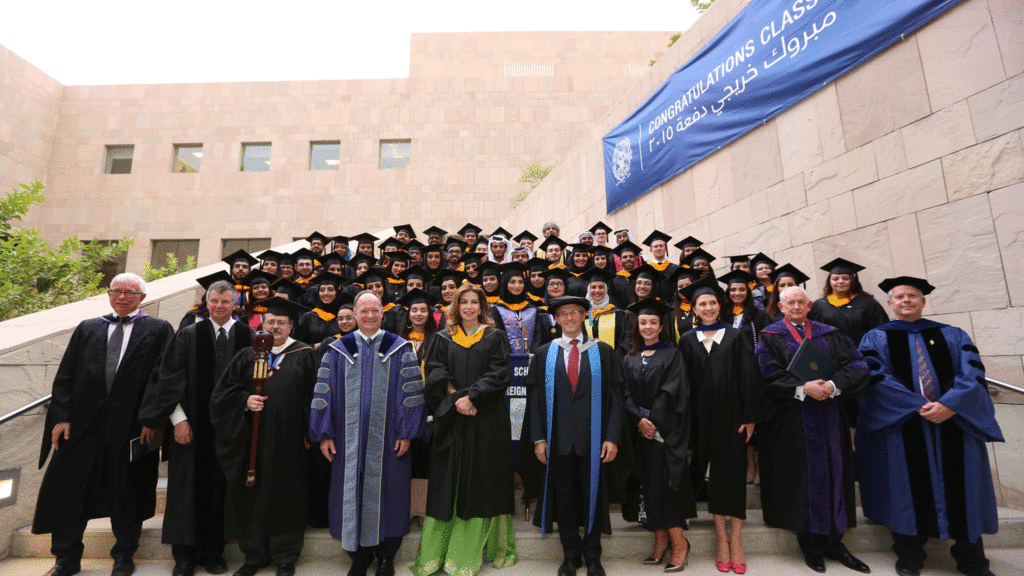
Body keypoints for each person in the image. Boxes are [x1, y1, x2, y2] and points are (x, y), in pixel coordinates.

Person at [856, 277, 1003, 576]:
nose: (906, 300)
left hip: (953, 423)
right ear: (890, 304)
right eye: (899, 297)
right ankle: (909, 556)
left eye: (912, 296)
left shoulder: (953, 334)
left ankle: (971, 559)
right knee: (905, 489)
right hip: (905, 424)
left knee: (963, 489)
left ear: (923, 301)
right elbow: (875, 377)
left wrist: (950, 405)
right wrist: (914, 404)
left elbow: (972, 373)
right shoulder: (875, 338)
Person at [33, 273, 174, 576]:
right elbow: (66, 375)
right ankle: (66, 557)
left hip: (133, 426)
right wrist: (61, 418)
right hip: (84, 426)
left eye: (130, 292)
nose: (123, 297)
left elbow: (163, 377)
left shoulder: (159, 329)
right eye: (117, 291)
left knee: (128, 490)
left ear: (142, 298)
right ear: (109, 294)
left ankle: (124, 555)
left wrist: (152, 418)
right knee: (70, 490)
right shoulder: (88, 328)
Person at [138, 281, 254, 576]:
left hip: (231, 430)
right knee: (185, 491)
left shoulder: (249, 337)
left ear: (234, 303)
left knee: (221, 490)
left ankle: (214, 552)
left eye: (225, 301)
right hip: (190, 427)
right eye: (214, 301)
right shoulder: (188, 335)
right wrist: (179, 421)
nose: (219, 306)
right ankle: (185, 557)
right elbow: (168, 379)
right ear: (207, 302)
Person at [309, 291, 427, 576]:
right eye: (364, 311)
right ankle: (358, 557)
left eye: (375, 310)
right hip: (347, 441)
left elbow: (411, 394)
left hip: (388, 440)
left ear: (382, 313)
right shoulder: (338, 350)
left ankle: (386, 557)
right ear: (355, 315)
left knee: (391, 494)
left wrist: (407, 432)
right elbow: (323, 393)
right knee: (351, 494)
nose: (370, 316)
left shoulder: (399, 348)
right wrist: (325, 434)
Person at [754, 286, 871, 574]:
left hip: (831, 414)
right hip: (792, 420)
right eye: (790, 302)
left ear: (809, 306)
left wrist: (832, 386)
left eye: (800, 302)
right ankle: (811, 544)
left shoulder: (830, 332)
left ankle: (836, 542)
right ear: (781, 307)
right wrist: (801, 387)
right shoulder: (770, 337)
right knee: (802, 478)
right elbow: (766, 374)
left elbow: (857, 363)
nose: (795, 307)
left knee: (836, 472)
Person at [411, 284, 517, 576]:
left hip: (487, 418)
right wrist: (458, 398)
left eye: (474, 302)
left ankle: (479, 548)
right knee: (450, 480)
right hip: (454, 418)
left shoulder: (495, 336)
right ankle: (442, 550)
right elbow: (434, 371)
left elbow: (499, 373)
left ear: (483, 306)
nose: (469, 307)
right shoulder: (443, 338)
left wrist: (472, 398)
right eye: (464, 302)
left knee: (483, 478)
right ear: (455, 307)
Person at [209, 297, 319, 576]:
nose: (276, 326)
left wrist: (309, 432)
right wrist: (245, 401)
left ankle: (285, 556)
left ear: (291, 326)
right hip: (251, 439)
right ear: (262, 324)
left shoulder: (304, 354)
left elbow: (316, 397)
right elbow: (223, 393)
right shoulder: (248, 355)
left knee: (287, 494)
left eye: (282, 322)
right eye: (271, 322)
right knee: (252, 494)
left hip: (290, 439)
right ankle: (254, 556)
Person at [525, 296, 625, 576]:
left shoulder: (603, 351)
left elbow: (617, 398)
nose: (569, 318)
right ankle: (570, 555)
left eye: (574, 313)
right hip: (557, 440)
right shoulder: (544, 353)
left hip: (594, 439)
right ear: (556, 320)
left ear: (584, 316)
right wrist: (538, 438)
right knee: (565, 499)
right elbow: (534, 401)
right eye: (563, 314)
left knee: (594, 497)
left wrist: (612, 436)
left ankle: (593, 555)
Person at [678, 277, 762, 574]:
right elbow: (683, 385)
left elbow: (749, 377)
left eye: (713, 302)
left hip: (734, 419)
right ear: (695, 309)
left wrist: (750, 416)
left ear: (719, 305)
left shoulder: (735, 336)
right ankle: (721, 539)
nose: (709, 307)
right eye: (703, 304)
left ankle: (736, 539)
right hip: (701, 422)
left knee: (733, 474)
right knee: (714, 478)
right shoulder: (687, 340)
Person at [621, 297, 694, 573]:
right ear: (636, 327)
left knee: (665, 488)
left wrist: (652, 421)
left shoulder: (672, 355)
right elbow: (624, 393)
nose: (648, 326)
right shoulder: (629, 358)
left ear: (661, 326)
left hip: (665, 434)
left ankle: (679, 543)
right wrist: (638, 420)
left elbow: (674, 392)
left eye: (653, 322)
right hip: (642, 434)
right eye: (643, 322)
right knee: (649, 486)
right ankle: (660, 539)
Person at [809, 257, 890, 347]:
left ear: (852, 281)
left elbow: (881, 330)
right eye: (835, 279)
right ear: (830, 282)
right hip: (831, 356)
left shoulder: (868, 303)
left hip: (863, 354)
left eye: (845, 278)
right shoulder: (819, 305)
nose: (840, 282)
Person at [582, 267, 631, 356]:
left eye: (601, 287)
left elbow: (624, 340)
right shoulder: (583, 314)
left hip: (613, 361)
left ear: (606, 289)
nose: (597, 290)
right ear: (589, 290)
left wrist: (614, 359)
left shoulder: (617, 313)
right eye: (593, 287)